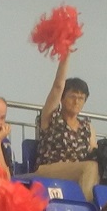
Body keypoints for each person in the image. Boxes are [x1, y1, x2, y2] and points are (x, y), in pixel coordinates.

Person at [33, 56, 98, 194]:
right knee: (91, 167)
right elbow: (58, 86)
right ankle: (85, 204)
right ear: (62, 98)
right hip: (49, 169)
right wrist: (65, 56)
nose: (76, 102)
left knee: (99, 168)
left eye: (81, 98)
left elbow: (94, 152)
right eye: (72, 96)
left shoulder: (87, 127)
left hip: (77, 173)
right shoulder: (52, 117)